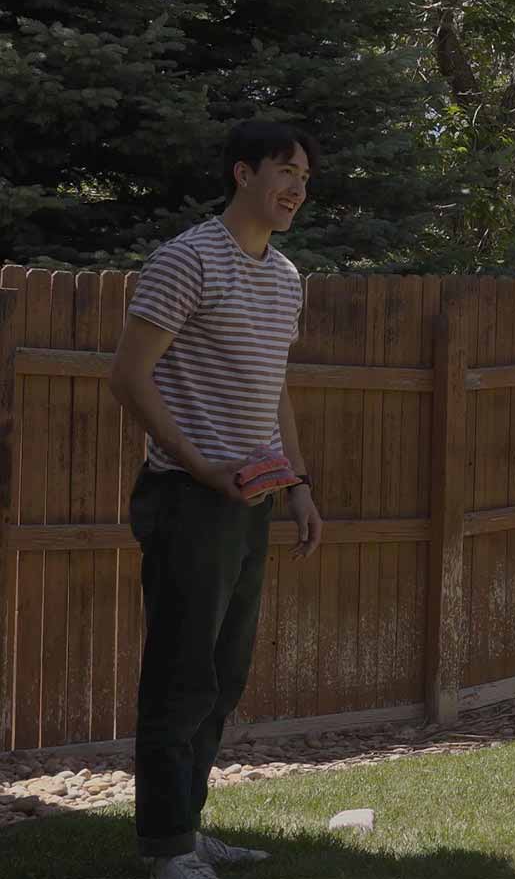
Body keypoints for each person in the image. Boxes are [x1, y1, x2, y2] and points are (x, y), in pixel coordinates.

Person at [109, 120, 325, 879]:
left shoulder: (286, 275)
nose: (298, 186)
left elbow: (276, 392)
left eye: (305, 175)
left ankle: (187, 829)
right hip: (188, 498)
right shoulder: (187, 259)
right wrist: (200, 466)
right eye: (284, 170)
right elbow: (129, 377)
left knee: (224, 673)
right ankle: (165, 848)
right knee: (182, 672)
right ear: (242, 173)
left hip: (253, 499)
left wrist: (296, 485)